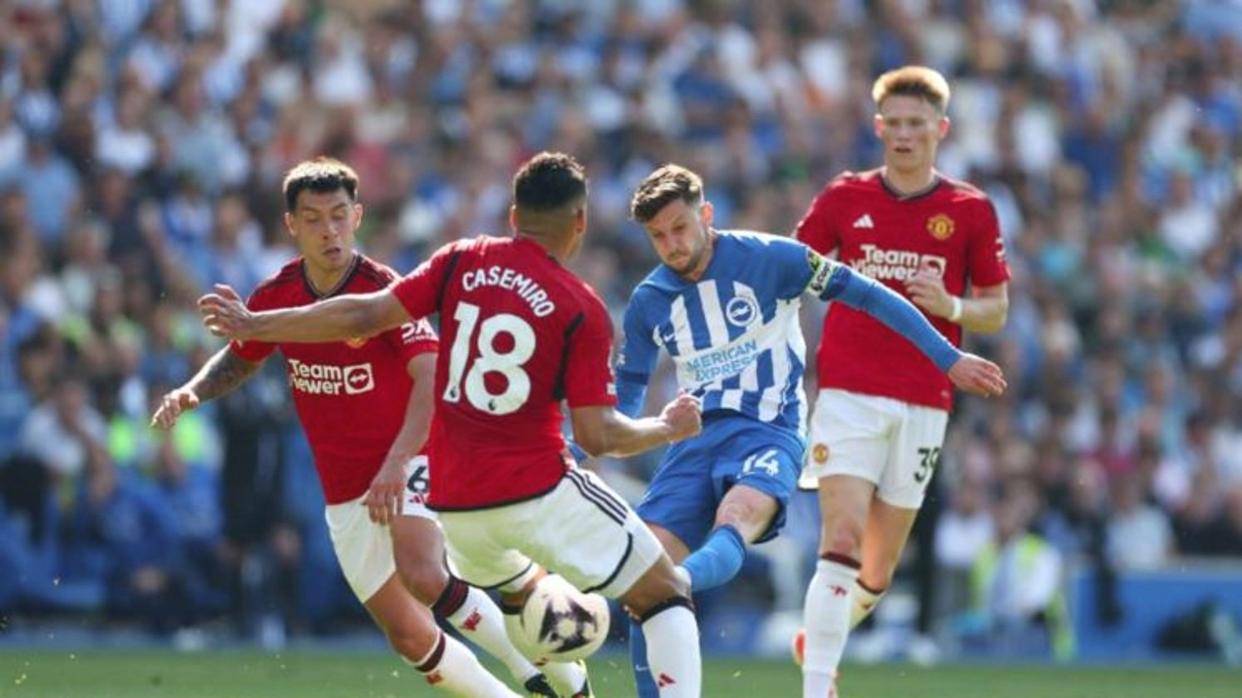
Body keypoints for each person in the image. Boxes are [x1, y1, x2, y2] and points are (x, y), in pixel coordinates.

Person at [197, 152, 707, 697]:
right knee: (665, 591)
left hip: (459, 505)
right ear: (580, 221)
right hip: (532, 486)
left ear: (514, 216)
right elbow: (597, 437)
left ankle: (566, 685)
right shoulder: (580, 305)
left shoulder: (461, 259)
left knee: (517, 596)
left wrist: (256, 324)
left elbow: (363, 314)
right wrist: (665, 428)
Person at [153, 158, 566, 697]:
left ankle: (532, 668)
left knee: (423, 572)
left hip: (413, 457)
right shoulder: (277, 295)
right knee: (409, 636)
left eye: (338, 216)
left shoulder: (384, 291)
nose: (329, 230)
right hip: (347, 490)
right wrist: (193, 391)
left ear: (357, 217)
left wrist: (398, 461)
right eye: (314, 219)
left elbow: (431, 376)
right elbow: (242, 355)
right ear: (292, 225)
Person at [614, 163, 1007, 696]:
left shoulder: (774, 258)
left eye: (679, 228)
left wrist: (947, 357)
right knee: (643, 579)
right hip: (692, 443)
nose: (671, 245)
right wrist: (615, 439)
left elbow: (868, 294)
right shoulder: (648, 301)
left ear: (706, 214)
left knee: (732, 521)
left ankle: (680, 583)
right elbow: (624, 401)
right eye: (658, 236)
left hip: (769, 431)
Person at [793, 66, 1011, 697]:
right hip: (848, 392)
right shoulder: (844, 196)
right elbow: (793, 266)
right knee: (840, 536)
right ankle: (817, 684)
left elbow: (996, 308)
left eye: (917, 123)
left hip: (925, 399)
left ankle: (820, 634)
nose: (905, 134)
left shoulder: (969, 209)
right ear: (878, 127)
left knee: (877, 572)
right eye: (894, 123)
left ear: (941, 129)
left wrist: (952, 305)